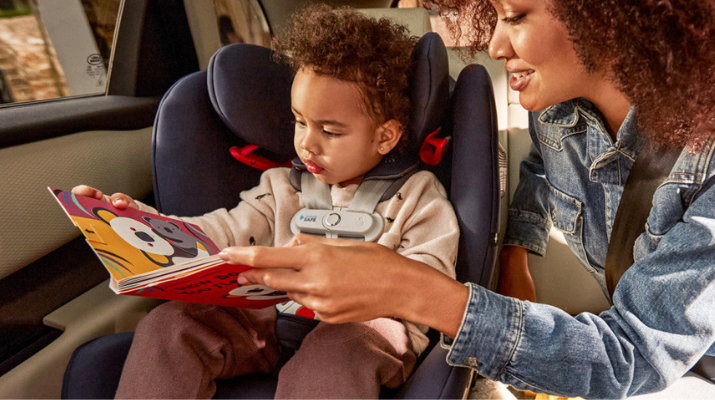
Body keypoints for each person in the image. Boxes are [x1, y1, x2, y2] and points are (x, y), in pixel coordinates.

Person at [225, 0, 715, 398]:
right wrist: (514, 256)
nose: (494, 43)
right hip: (678, 374)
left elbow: (636, 354)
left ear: (604, 18)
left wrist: (410, 288)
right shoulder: (555, 113)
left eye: (516, 17)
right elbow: (537, 169)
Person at [73, 6, 459, 399]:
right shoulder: (281, 188)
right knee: (170, 323)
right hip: (271, 324)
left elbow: (431, 285)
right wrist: (144, 224)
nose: (307, 142)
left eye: (329, 130)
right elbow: (219, 234)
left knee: (336, 350)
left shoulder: (417, 198)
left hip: (364, 334)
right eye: (299, 121)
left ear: (385, 137)